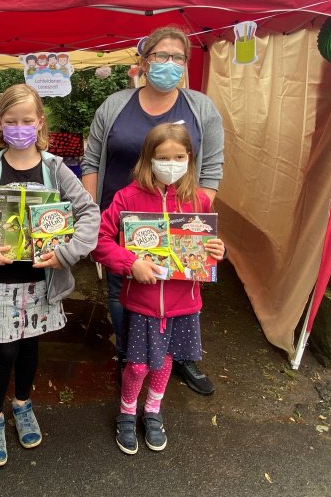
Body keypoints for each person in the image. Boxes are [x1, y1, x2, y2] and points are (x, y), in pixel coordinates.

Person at [0, 84, 99, 467]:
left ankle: (22, 404)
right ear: (0, 124)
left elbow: (89, 214)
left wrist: (66, 253)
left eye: (27, 121)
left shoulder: (54, 168)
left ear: (40, 123)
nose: (20, 128)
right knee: (4, 352)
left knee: (31, 349)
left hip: (41, 282)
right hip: (1, 283)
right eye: (12, 122)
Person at [81, 25, 224, 395]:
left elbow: (211, 168)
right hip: (124, 217)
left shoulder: (200, 107)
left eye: (178, 57)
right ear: (144, 61)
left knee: (179, 291)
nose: (169, 63)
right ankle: (132, 357)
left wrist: (199, 219)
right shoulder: (115, 106)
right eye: (161, 55)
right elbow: (92, 161)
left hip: (182, 222)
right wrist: (92, 215)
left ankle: (179, 358)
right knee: (123, 290)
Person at [92, 123, 226, 454]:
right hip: (142, 302)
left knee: (165, 361)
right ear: (148, 159)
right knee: (137, 363)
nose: (171, 164)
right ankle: (127, 410)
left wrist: (218, 252)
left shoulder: (197, 201)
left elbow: (206, 248)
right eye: (163, 157)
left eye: (179, 157)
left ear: (190, 158)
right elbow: (99, 240)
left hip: (183, 303)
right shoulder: (127, 198)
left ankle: (152, 410)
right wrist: (129, 263)